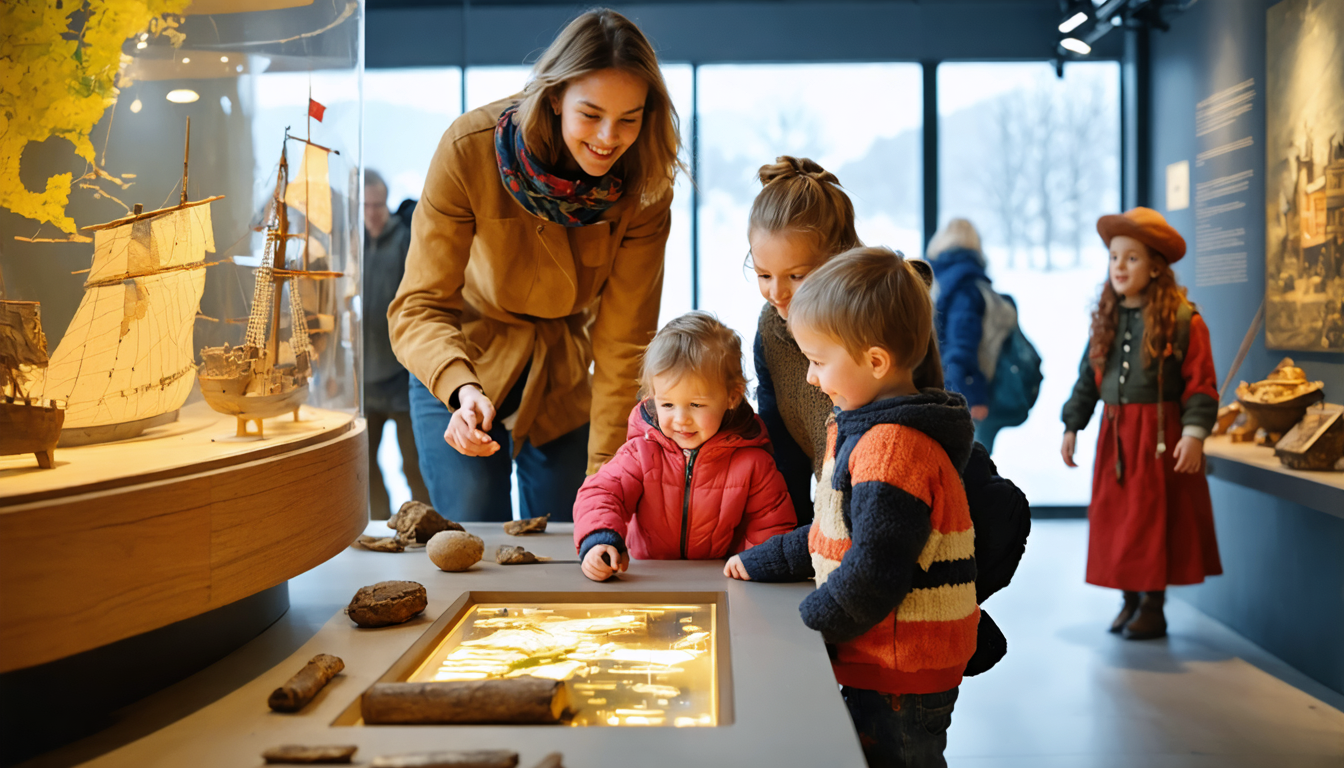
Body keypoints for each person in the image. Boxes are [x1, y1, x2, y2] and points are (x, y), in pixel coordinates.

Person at [388, 9, 684, 522]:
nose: (609, 138)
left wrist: (605, 479)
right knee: (473, 534)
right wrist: (462, 389)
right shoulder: (468, 149)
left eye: (628, 120)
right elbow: (419, 307)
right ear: (553, 98)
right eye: (590, 115)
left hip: (563, 378)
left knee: (578, 527)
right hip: (459, 363)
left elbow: (624, 344)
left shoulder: (646, 186)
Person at [727, 247, 978, 768]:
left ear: (876, 361)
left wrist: (803, 631)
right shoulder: (869, 434)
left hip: (899, 675)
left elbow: (874, 572)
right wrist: (758, 562)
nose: (812, 379)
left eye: (819, 362)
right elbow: (831, 532)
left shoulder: (892, 451)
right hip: (882, 665)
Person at [1060, 207, 1221, 640]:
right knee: (1120, 519)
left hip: (1158, 436)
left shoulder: (1185, 319)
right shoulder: (1105, 321)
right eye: (1114, 257)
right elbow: (1086, 380)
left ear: (1155, 266)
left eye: (1131, 258)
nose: (1120, 267)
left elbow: (1201, 383)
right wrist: (1072, 426)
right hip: (1117, 436)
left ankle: (1153, 605)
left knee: (1152, 519)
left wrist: (1194, 433)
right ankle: (1128, 599)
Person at [572, 312, 796, 581]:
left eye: (696, 405)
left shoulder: (753, 463)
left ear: (732, 397)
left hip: (720, 582)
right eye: (667, 404)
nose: (680, 419)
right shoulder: (641, 453)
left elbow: (771, 525)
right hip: (644, 579)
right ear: (652, 397)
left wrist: (758, 566)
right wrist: (599, 541)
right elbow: (601, 494)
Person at [748, 156, 862, 524]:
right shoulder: (772, 330)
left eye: (796, 276)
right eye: (764, 274)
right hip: (827, 528)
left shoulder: (873, 323)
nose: (777, 293)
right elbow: (780, 447)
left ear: (837, 258)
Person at [362, 169, 429, 520]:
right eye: (366, 205)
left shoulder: (404, 239)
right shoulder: (353, 243)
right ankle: (379, 527)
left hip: (401, 376)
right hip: (366, 376)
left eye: (378, 204)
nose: (373, 212)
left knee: (414, 464)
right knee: (363, 465)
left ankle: (426, 527)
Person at [925, 218, 1000, 451]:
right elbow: (962, 346)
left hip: (941, 384)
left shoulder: (937, 280)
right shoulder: (967, 288)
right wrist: (973, 395)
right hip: (962, 392)